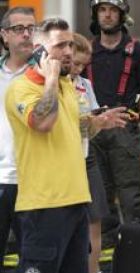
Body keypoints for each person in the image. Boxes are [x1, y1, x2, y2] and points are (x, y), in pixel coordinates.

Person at [5, 18, 128, 273]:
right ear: (38, 49)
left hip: (76, 202)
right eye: (60, 45)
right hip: (44, 206)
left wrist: (97, 124)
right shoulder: (21, 88)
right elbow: (43, 122)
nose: (69, 52)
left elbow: (74, 131)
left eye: (71, 45)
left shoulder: (67, 86)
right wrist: (49, 79)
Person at [86, 0, 140, 248]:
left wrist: (132, 122)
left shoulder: (138, 51)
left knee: (132, 199)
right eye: (102, 10)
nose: (107, 15)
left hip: (124, 132)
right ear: (95, 14)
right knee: (100, 202)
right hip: (94, 133)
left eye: (113, 10)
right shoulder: (87, 50)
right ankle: (106, 259)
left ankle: (139, 256)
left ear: (122, 14)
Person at [70, 32, 110, 273]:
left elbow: (91, 130)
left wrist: (101, 122)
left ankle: (93, 270)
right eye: (75, 63)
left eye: (83, 65)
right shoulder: (53, 83)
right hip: (64, 161)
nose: (78, 69)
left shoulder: (86, 85)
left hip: (87, 157)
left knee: (95, 220)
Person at [0, 6, 35, 271]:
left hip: (33, 181)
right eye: (18, 29)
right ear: (4, 36)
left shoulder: (45, 75)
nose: (25, 34)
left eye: (30, 29)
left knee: (33, 259)